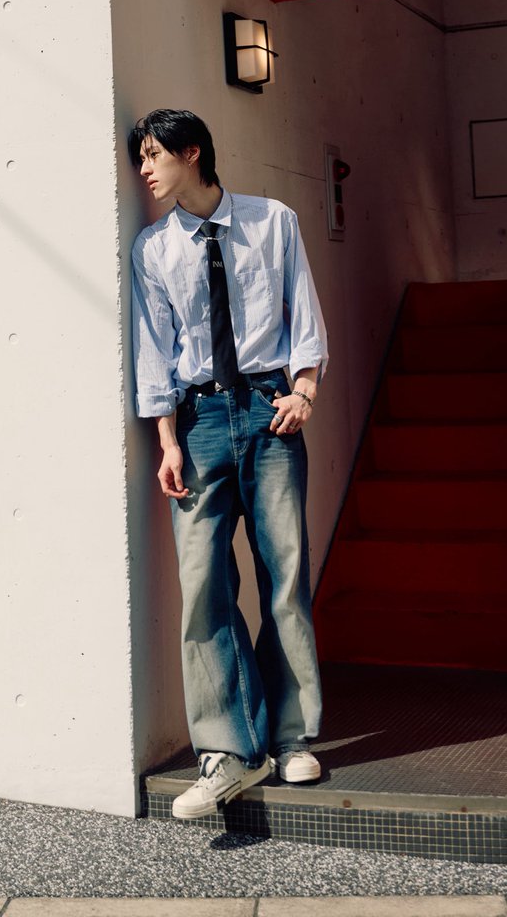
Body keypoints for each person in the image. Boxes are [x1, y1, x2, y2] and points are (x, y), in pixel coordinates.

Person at [128, 108, 327, 820]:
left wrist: (304, 391)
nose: (144, 170)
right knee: (204, 585)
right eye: (140, 159)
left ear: (191, 152)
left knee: (285, 577)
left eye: (153, 155)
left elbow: (303, 315)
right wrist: (167, 440)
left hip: (271, 411)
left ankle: (293, 736)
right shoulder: (153, 248)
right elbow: (154, 349)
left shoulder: (273, 221)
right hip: (200, 421)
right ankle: (227, 750)